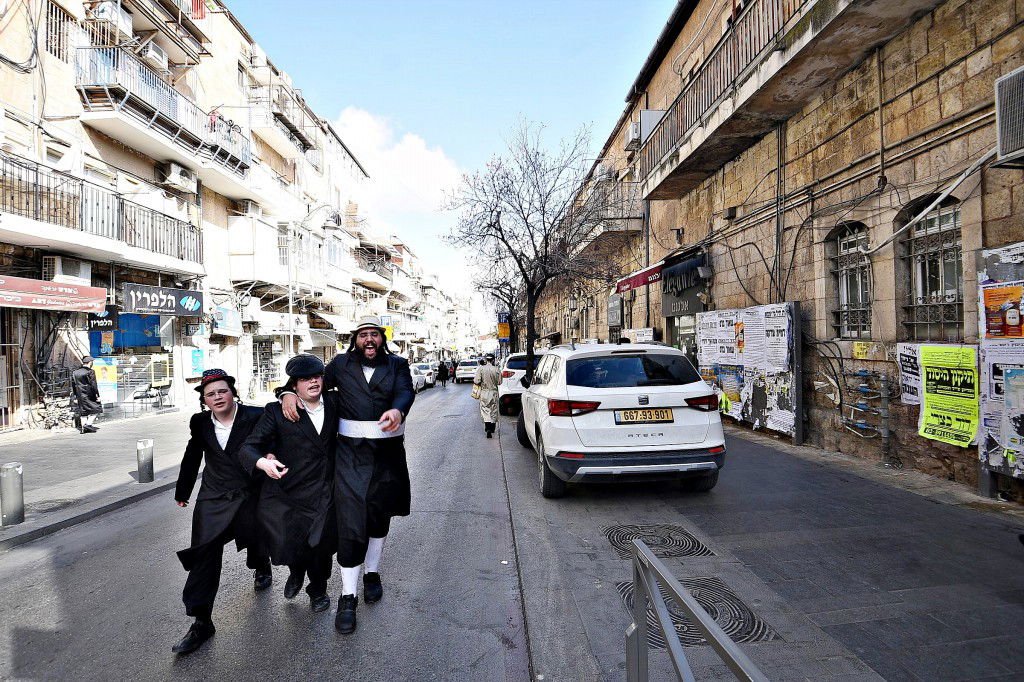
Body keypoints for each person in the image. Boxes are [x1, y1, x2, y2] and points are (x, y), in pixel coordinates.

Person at [281, 315, 415, 634]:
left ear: (382, 339)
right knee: (351, 523)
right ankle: (348, 596)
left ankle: (371, 574)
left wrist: (398, 410)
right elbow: (309, 381)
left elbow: (405, 393)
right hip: (350, 457)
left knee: (379, 518)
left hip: (388, 456)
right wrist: (286, 393)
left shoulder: (397, 365)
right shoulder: (340, 365)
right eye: (363, 335)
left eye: (374, 335)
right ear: (355, 339)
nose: (369, 340)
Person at [172, 369, 272, 655]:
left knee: (256, 534)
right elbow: (193, 455)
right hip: (213, 497)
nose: (217, 397)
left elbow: (273, 442)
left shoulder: (255, 416)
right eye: (210, 394)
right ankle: (201, 622)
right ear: (204, 400)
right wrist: (183, 491)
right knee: (203, 552)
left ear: (232, 391)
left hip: (248, 493)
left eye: (222, 391)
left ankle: (261, 563)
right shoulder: (200, 422)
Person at [240, 355, 339, 616]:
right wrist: (263, 462)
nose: (313, 382)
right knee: (290, 543)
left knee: (321, 546)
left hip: (325, 490)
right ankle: (296, 572)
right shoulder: (276, 411)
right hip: (289, 492)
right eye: (305, 379)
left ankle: (317, 590)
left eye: (317, 376)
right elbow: (248, 448)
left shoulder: (336, 402)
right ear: (294, 385)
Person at [71, 355, 102, 433]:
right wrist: (97, 395)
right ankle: (87, 424)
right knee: (97, 408)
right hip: (89, 394)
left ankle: (83, 428)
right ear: (90, 362)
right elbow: (93, 385)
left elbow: (73, 385)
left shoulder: (75, 373)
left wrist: (75, 397)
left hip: (79, 394)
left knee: (83, 411)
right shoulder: (90, 371)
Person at [474, 353, 502, 438]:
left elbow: (476, 381)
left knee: (485, 410)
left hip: (484, 392)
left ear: (486, 360)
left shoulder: (481, 369)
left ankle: (487, 427)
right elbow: (499, 382)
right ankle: (492, 427)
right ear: (493, 360)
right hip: (493, 392)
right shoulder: (496, 369)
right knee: (493, 409)